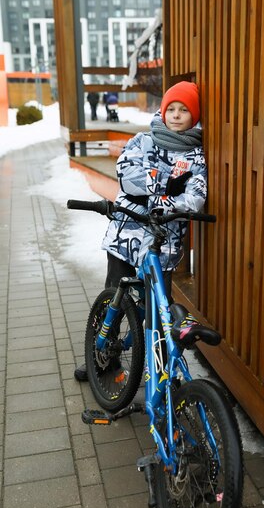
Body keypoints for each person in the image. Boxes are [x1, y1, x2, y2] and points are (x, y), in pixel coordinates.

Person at [74, 81, 207, 381]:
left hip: (163, 243)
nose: (175, 115)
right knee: (114, 298)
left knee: (157, 309)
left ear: (194, 116)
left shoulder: (197, 157)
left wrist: (162, 199)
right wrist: (165, 194)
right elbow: (126, 173)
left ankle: (158, 370)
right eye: (170, 108)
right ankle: (101, 359)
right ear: (162, 110)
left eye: (183, 110)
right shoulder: (142, 141)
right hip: (125, 234)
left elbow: (195, 197)